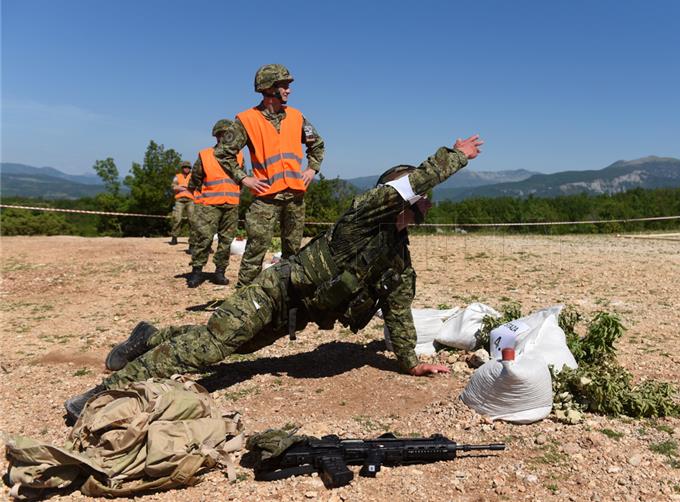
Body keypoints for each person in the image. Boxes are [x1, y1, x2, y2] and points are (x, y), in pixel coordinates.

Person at [65, 135, 483, 423]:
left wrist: (411, 363)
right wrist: (455, 156)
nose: (428, 200)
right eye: (420, 195)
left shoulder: (398, 260)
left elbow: (398, 311)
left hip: (294, 315)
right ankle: (103, 394)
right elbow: (414, 182)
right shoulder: (364, 217)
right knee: (210, 348)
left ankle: (150, 336)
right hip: (276, 290)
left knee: (229, 342)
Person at [215, 64, 325, 288]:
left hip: (295, 198)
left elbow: (318, 145)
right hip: (265, 199)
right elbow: (223, 153)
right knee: (255, 252)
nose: (288, 90)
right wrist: (243, 178)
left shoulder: (297, 117)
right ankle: (243, 303)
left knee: (293, 254)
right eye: (284, 85)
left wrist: (312, 169)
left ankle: (286, 300)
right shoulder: (247, 120)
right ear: (268, 88)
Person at [185, 120, 246, 288]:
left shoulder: (239, 156)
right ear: (218, 135)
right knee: (203, 238)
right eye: (224, 134)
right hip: (209, 205)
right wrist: (200, 200)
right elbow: (195, 180)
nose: (226, 137)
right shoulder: (205, 155)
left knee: (226, 241)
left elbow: (242, 179)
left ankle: (220, 272)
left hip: (231, 205)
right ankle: (197, 271)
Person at [169, 161, 195, 245]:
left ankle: (192, 238)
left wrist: (181, 187)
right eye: (185, 167)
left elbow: (195, 186)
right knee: (177, 218)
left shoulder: (193, 176)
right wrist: (184, 188)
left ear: (190, 169)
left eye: (188, 167)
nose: (186, 168)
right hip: (179, 200)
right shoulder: (177, 176)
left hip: (190, 200)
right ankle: (174, 237)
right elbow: (173, 187)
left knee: (192, 220)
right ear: (182, 168)